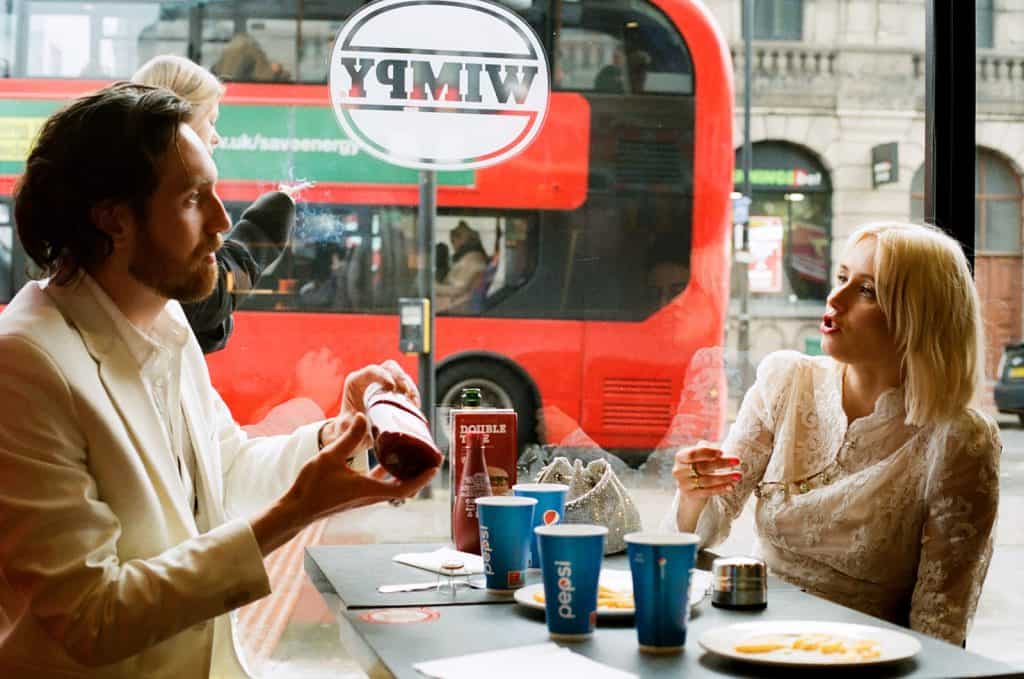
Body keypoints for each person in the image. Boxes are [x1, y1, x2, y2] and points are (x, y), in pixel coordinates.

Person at [0, 82, 436, 677]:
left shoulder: (164, 317)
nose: (223, 221)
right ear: (114, 220)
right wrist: (293, 515)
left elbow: (225, 472)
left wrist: (341, 436)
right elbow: (89, 618)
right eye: (192, 199)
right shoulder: (25, 363)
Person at [665, 222, 1001, 646]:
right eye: (842, 277)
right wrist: (694, 491)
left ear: (919, 317)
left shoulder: (958, 439)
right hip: (748, 638)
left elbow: (940, 624)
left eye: (867, 291)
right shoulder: (786, 379)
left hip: (863, 661)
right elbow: (699, 533)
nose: (834, 298)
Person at [133, 54, 297, 354]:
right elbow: (202, 305)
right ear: (181, 122)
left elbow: (198, 322)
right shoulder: (152, 200)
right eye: (211, 120)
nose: (222, 222)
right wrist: (260, 232)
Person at [435, 220, 487, 311]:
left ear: (463, 240)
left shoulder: (471, 260)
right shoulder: (470, 258)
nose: (453, 245)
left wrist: (431, 286)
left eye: (453, 240)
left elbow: (456, 289)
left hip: (453, 307)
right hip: (452, 304)